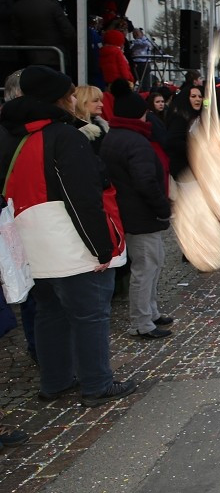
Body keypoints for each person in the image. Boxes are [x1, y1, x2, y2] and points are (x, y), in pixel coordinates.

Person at [0, 66, 136, 407]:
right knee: (90, 315)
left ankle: (56, 381)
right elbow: (83, 199)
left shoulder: (12, 134)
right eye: (71, 93)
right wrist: (101, 248)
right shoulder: (64, 136)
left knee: (49, 314)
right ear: (57, 98)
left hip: (33, 246)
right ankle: (97, 384)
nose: (76, 98)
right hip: (71, 245)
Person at [99, 85, 173, 339]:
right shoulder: (135, 141)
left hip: (130, 213)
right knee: (146, 267)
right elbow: (145, 182)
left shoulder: (115, 136)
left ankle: (150, 313)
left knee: (153, 263)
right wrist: (162, 208)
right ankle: (142, 322)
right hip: (141, 216)